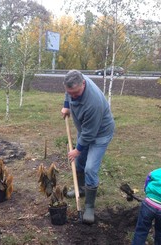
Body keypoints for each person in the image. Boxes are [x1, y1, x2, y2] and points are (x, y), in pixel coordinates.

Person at [61, 69, 115, 224]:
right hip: (85, 130)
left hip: (100, 134)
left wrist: (77, 150)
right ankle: (82, 190)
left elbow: (90, 135)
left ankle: (90, 206)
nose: (73, 96)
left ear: (83, 84)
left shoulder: (94, 102)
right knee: (80, 163)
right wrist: (67, 105)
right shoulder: (74, 79)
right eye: (69, 93)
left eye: (76, 93)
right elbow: (69, 92)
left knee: (90, 168)